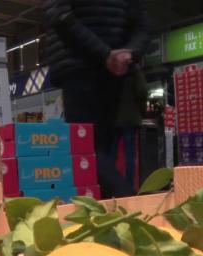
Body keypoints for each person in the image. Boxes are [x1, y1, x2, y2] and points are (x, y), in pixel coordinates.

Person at [44, 0, 149, 198]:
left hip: (94, 66)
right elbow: (142, 23)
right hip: (91, 67)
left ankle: (121, 205)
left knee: (90, 150)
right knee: (92, 151)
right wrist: (119, 54)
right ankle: (125, 204)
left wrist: (123, 54)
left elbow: (58, 14)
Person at [112, 63, 148, 192]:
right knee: (129, 154)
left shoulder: (113, 69)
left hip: (114, 118)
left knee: (112, 154)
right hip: (130, 118)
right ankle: (129, 185)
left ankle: (112, 183)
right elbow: (142, 92)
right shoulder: (135, 71)